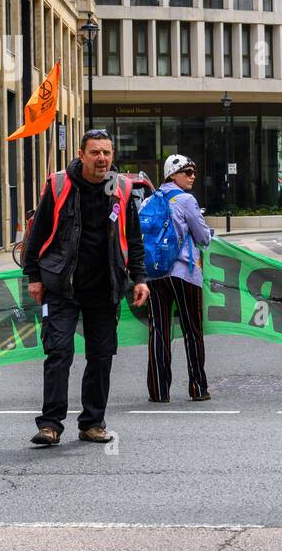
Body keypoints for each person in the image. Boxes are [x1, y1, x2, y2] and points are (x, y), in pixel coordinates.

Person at [24, 129, 149, 446]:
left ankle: (92, 423)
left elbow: (133, 239)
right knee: (58, 352)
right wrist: (33, 276)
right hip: (61, 287)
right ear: (81, 155)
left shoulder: (120, 188)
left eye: (106, 152)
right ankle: (51, 424)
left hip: (104, 287)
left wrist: (140, 278)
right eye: (95, 152)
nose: (102, 159)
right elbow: (36, 235)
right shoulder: (60, 185)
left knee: (101, 356)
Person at [144, 154, 214, 403]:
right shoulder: (186, 200)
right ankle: (197, 387)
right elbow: (203, 237)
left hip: (153, 274)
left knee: (158, 331)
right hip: (183, 272)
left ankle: (159, 391)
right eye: (187, 171)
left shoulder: (149, 200)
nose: (192, 176)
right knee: (192, 330)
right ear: (172, 175)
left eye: (193, 171)